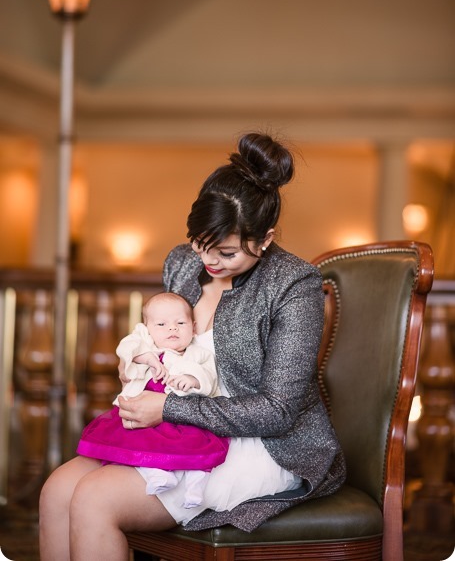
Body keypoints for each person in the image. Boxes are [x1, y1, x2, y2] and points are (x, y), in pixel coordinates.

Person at [39, 132, 346, 561]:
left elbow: (277, 411)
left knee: (95, 499)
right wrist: (140, 366)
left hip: (263, 443)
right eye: (201, 242)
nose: (209, 259)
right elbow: (159, 337)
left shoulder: (294, 286)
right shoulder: (183, 262)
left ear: (266, 238)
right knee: (56, 492)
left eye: (226, 252)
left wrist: (167, 408)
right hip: (179, 428)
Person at [76, 291, 229, 507]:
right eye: (161, 324)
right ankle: (158, 473)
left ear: (193, 328)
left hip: (182, 419)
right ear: (147, 328)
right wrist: (145, 357)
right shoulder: (146, 345)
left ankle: (196, 486)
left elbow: (209, 377)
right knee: (143, 441)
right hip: (145, 417)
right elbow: (126, 348)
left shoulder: (197, 353)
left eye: (180, 323)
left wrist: (192, 380)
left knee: (196, 450)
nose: (172, 328)